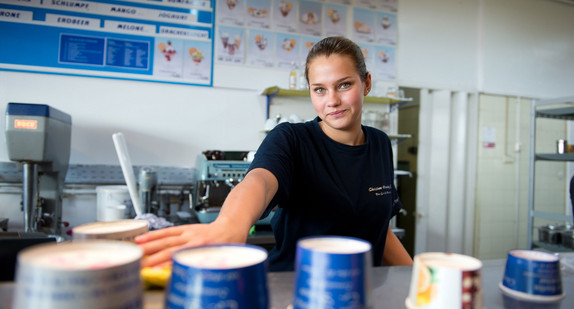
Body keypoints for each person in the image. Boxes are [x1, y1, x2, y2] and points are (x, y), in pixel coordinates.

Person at [135, 36, 413, 271]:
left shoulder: (379, 143)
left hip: (360, 293)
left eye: (344, 85)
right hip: (293, 289)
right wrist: (231, 224)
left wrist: (415, 278)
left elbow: (380, 231)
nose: (332, 101)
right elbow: (260, 181)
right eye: (319, 89)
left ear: (366, 83)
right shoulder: (292, 139)